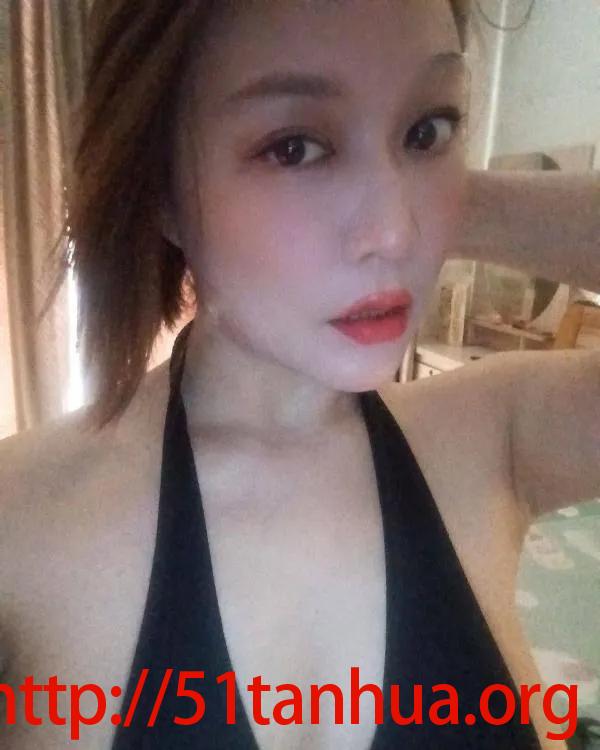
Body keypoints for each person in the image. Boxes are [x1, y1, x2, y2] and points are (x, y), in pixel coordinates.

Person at [0, 1, 598, 748]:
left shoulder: (494, 437)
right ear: (158, 188)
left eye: (428, 128)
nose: (395, 232)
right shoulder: (20, 522)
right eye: (294, 148)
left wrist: (444, 196)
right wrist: (405, 164)